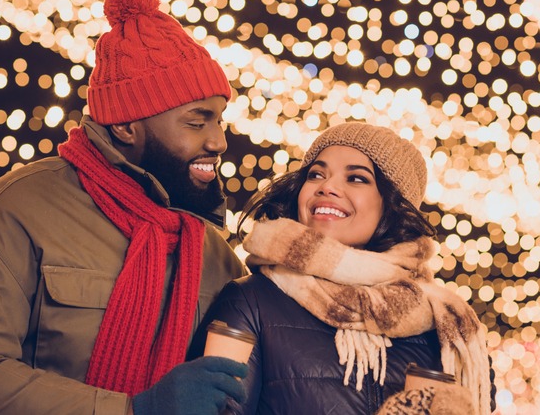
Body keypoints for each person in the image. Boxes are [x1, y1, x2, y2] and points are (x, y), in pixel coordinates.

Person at [0, 0, 248, 414]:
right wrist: (134, 410)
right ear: (127, 126)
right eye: (197, 122)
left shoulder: (214, 255)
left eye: (219, 120)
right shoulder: (13, 213)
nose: (219, 142)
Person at [189, 122, 495, 414]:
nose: (327, 187)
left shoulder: (443, 325)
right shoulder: (252, 302)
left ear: (392, 205)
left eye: (357, 178)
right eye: (315, 175)